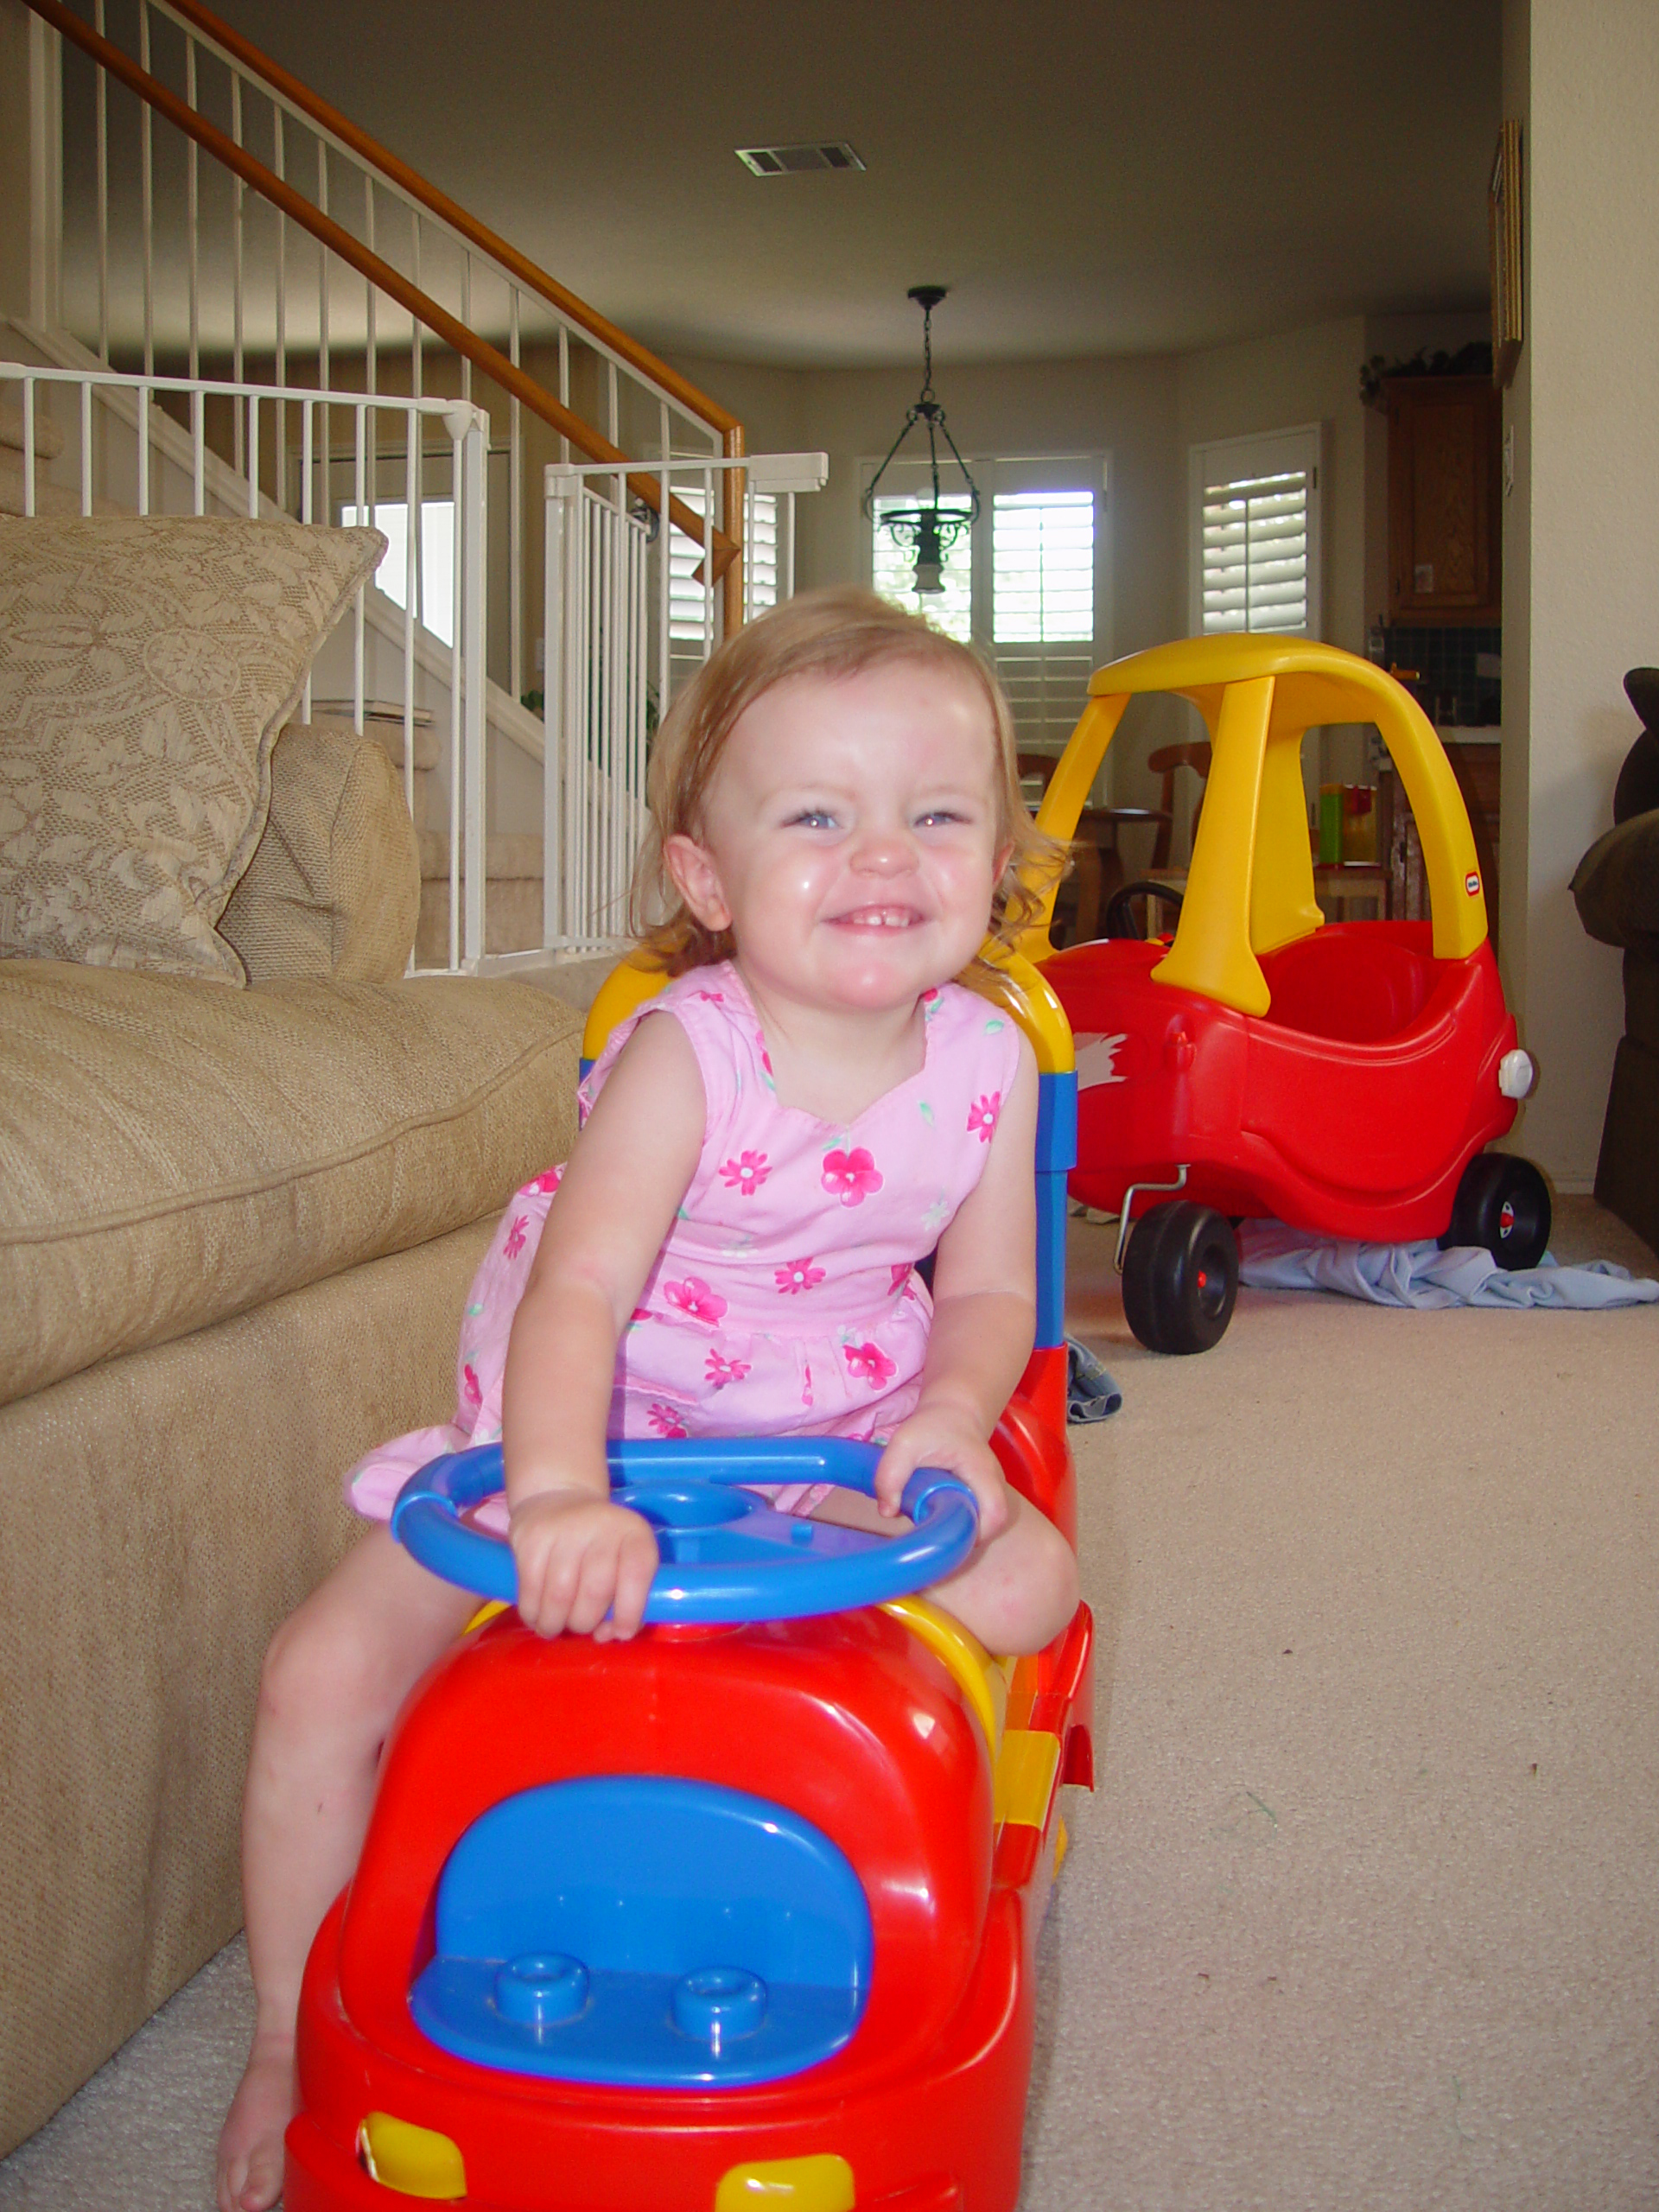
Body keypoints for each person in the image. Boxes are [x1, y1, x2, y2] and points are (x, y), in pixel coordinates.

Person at [216, 586, 1081, 2212]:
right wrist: (549, 1491)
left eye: (938, 815)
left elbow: (985, 1297)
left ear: (999, 858)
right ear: (707, 875)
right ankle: (278, 2035)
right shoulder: (690, 1050)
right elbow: (581, 1297)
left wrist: (950, 1422)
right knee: (316, 1674)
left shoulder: (986, 1062)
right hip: (600, 1416)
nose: (885, 855)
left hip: (830, 1422)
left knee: (1032, 1587)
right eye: (819, 816)